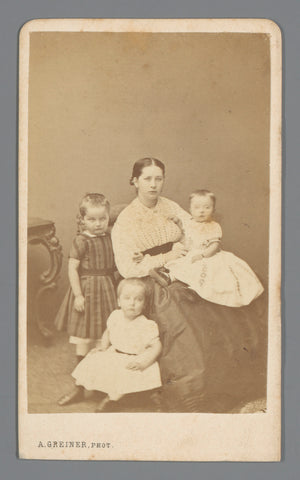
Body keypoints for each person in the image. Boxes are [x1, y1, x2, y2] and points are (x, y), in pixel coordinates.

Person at [111, 158, 267, 412]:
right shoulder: (126, 220)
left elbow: (193, 230)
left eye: (158, 178)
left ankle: (236, 378)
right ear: (135, 181)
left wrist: (195, 252)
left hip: (183, 265)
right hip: (150, 275)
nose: (153, 185)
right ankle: (195, 391)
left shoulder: (169, 206)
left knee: (223, 291)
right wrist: (165, 258)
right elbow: (127, 267)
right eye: (147, 179)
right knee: (181, 306)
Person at [55, 193, 118, 406]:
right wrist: (79, 295)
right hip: (88, 291)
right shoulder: (81, 241)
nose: (98, 224)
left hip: (107, 290)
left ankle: (100, 385)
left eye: (102, 219)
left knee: (103, 339)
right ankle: (80, 388)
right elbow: (72, 268)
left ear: (108, 218)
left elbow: (116, 264)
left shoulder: (111, 238)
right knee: (84, 340)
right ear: (82, 219)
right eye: (92, 219)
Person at [159, 189, 264, 307]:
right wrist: (177, 223)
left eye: (207, 207)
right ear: (190, 209)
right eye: (197, 207)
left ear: (213, 210)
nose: (201, 211)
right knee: (183, 262)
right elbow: (186, 238)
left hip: (208, 255)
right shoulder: (189, 224)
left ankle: (195, 290)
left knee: (205, 269)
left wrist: (203, 255)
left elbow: (215, 245)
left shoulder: (213, 226)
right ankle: (169, 277)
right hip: (192, 251)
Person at [72, 278, 162, 412]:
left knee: (124, 374)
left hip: (134, 358)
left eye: (138, 299)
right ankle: (79, 389)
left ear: (144, 304)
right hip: (115, 353)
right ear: (119, 301)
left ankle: (111, 400)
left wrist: (144, 363)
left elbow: (156, 346)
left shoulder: (146, 325)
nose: (132, 303)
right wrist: (103, 347)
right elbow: (108, 331)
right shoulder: (116, 316)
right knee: (92, 360)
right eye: (127, 298)